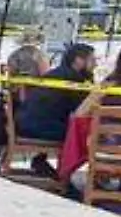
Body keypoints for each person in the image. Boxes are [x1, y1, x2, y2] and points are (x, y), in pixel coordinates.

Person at [16, 43, 96, 178]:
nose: (95, 65)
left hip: (24, 123)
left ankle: (43, 162)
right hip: (40, 128)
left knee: (70, 127)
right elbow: (83, 111)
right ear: (78, 60)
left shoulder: (54, 74)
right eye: (92, 60)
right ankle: (66, 177)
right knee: (87, 137)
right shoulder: (74, 81)